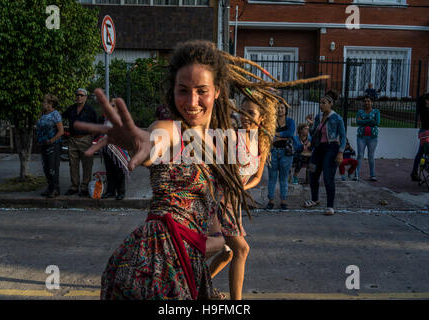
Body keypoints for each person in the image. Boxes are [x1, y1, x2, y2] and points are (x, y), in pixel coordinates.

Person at [74, 40, 327, 300]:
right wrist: (140, 140)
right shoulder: (172, 129)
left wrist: (215, 234)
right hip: (155, 262)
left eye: (201, 90)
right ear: (173, 92)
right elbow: (156, 139)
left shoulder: (221, 142)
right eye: (183, 90)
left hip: (190, 261)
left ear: (217, 90)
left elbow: (212, 203)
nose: (192, 101)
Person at [205, 90, 278, 300]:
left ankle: (199, 286)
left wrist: (242, 189)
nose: (245, 117)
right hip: (219, 197)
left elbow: (256, 176)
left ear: (262, 117)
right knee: (242, 249)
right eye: (242, 112)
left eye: (251, 113)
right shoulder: (232, 137)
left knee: (228, 252)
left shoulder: (262, 142)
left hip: (234, 200)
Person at [304, 90, 346, 216]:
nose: (321, 105)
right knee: (312, 173)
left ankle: (330, 206)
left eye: (323, 103)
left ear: (330, 104)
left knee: (328, 177)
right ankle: (315, 198)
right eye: (320, 103)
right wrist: (311, 125)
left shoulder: (337, 118)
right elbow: (314, 135)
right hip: (318, 149)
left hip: (331, 148)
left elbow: (343, 137)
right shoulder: (318, 117)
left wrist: (340, 152)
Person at [62, 88, 98, 197]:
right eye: (77, 95)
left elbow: (95, 125)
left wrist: (91, 138)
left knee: (87, 164)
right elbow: (61, 117)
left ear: (86, 97)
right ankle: (74, 186)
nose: (79, 97)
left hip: (85, 139)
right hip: (72, 139)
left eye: (82, 95)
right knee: (73, 164)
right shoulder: (71, 109)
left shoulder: (90, 110)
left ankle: (85, 187)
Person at [266, 102, 295, 210]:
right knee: (272, 178)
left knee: (283, 178)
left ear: (285, 110)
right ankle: (271, 201)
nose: (280, 110)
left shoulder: (290, 121)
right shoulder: (271, 121)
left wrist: (277, 135)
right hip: (273, 152)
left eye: (282, 108)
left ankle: (283, 201)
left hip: (286, 153)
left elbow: (291, 133)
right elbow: (268, 134)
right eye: (278, 108)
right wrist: (284, 136)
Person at [36, 94, 64, 198]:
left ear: (51, 104)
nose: (43, 104)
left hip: (53, 145)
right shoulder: (43, 114)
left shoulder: (55, 114)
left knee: (53, 168)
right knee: (46, 168)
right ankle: (50, 187)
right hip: (43, 144)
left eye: (45, 102)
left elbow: (61, 131)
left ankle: (56, 189)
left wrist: (52, 140)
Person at [99, 98, 127, 200]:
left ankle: (121, 192)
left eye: (113, 106)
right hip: (107, 149)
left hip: (118, 148)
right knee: (109, 170)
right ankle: (110, 191)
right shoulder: (106, 119)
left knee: (119, 171)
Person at [355, 95, 380, 181]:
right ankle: (356, 175)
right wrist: (370, 121)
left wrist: (363, 121)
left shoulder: (376, 112)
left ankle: (372, 175)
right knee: (360, 155)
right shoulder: (359, 112)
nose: (367, 102)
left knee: (371, 156)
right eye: (365, 101)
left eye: (368, 101)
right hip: (361, 137)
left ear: (371, 102)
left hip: (372, 138)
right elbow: (358, 122)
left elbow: (377, 122)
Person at [411, 93, 429, 181]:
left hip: (423, 132)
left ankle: (414, 172)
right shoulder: (426, 110)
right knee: (423, 153)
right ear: (426, 101)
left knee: (420, 153)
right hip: (426, 133)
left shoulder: (422, 109)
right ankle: (415, 172)